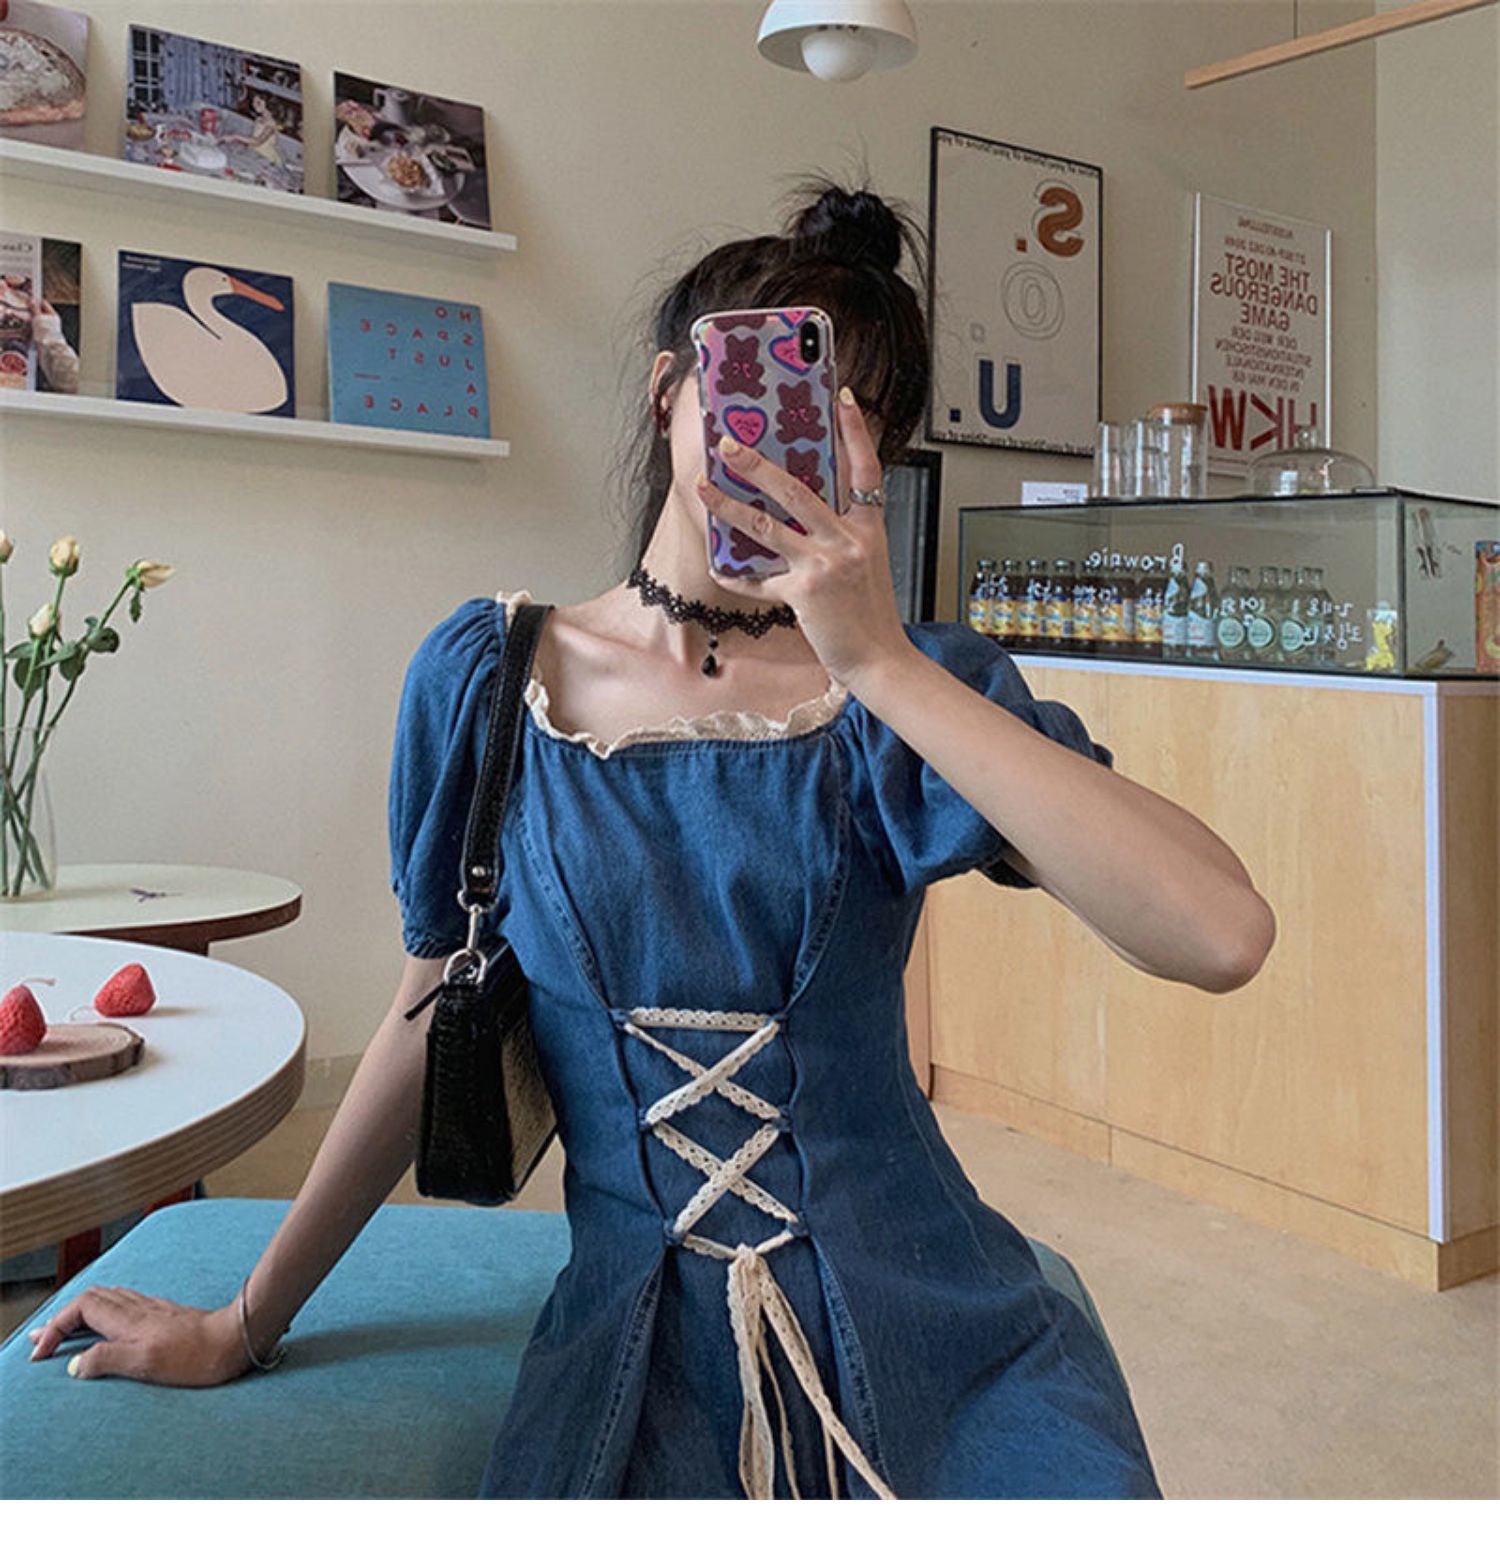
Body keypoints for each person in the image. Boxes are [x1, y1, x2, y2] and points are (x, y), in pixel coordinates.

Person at [25, 177, 1275, 1500]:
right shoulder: (493, 678)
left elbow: (1221, 935)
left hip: (936, 1324)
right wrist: (242, 1321)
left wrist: (883, 662)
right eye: (767, 385)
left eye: (844, 418)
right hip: (638, 1357)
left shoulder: (911, 698)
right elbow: (428, 1014)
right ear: (670, 387)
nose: (789, 443)